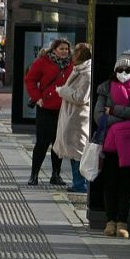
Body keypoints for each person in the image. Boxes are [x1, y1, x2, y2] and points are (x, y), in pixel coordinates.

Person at [93, 51, 130, 237]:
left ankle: (122, 222)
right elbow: (99, 116)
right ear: (115, 69)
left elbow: (108, 114)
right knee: (110, 184)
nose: (124, 72)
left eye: (128, 69)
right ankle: (110, 221)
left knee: (127, 185)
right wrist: (124, 120)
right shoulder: (105, 88)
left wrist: (115, 110)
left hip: (129, 146)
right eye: (121, 68)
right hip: (109, 145)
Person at [25, 38, 73, 185]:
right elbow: (30, 80)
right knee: (42, 142)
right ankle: (34, 175)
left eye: (66, 49)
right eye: (61, 49)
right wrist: (37, 97)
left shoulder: (72, 64)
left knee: (58, 143)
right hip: (45, 108)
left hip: (64, 109)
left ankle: (56, 175)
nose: (65, 51)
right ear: (54, 50)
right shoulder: (43, 62)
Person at [53, 43, 93, 193]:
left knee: (79, 152)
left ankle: (81, 184)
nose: (72, 55)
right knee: (74, 150)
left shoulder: (86, 73)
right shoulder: (80, 70)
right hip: (72, 116)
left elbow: (81, 97)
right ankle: (78, 183)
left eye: (75, 53)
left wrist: (63, 90)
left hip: (78, 118)